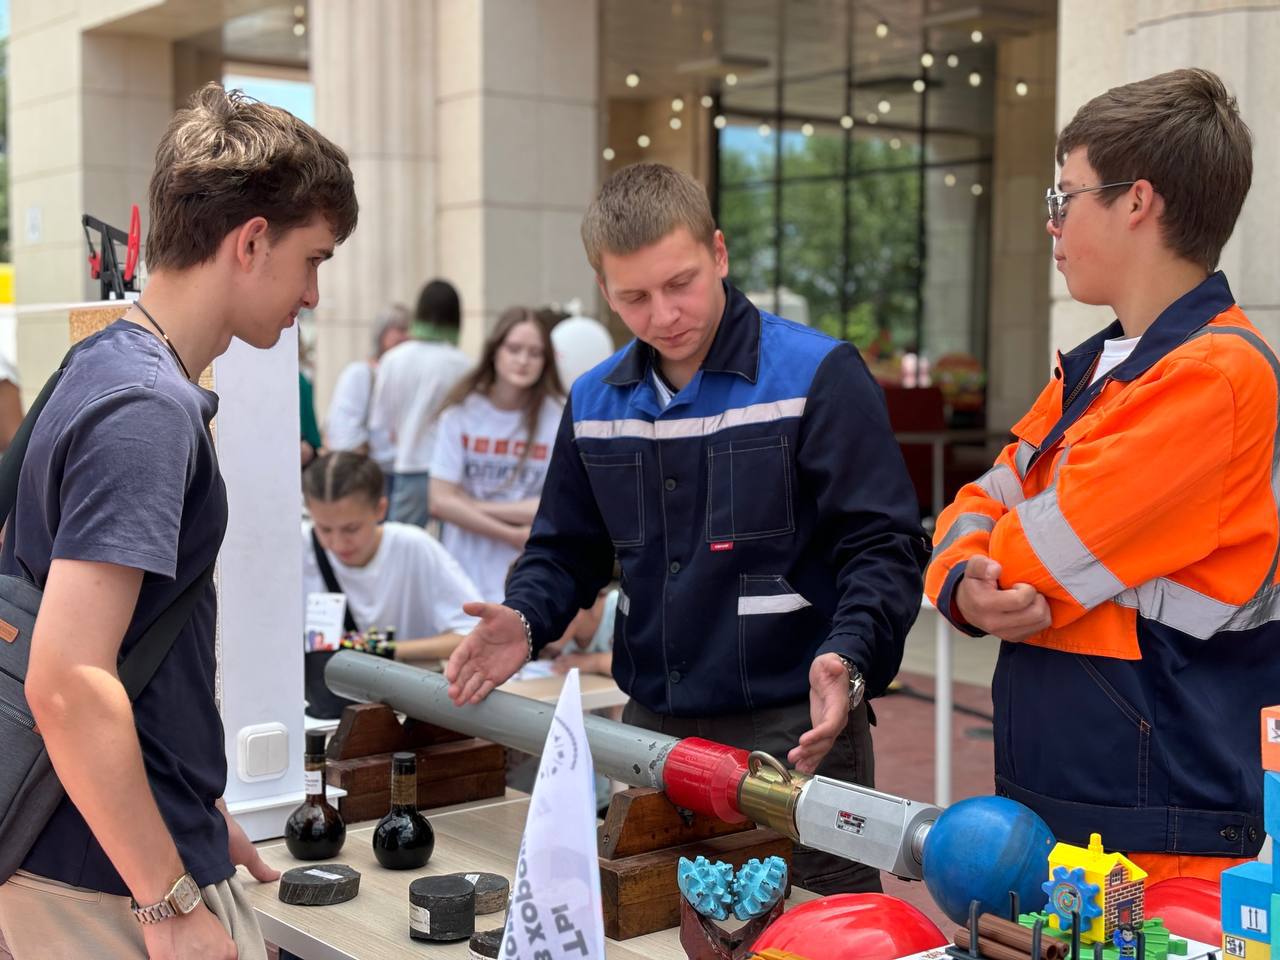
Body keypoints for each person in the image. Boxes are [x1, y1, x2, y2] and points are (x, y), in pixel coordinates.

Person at [445, 162, 927, 894]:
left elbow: (882, 545)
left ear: (719, 254)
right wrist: (526, 616)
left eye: (681, 283)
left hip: (796, 729)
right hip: (652, 735)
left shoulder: (817, 374)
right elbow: (565, 549)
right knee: (654, 929)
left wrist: (852, 655)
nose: (665, 314)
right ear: (604, 289)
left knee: (816, 931)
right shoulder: (594, 401)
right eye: (634, 297)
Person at [0, 83, 357, 960]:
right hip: (99, 882)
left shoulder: (101, 364)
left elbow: (121, 642)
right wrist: (168, 901)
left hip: (96, 850)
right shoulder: (146, 410)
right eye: (313, 259)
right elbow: (68, 680)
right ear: (251, 241)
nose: (313, 293)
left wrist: (191, 805)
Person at [925, 68, 1277, 885]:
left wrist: (977, 563)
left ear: (1136, 201)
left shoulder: (1214, 376)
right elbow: (978, 502)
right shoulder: (1099, 367)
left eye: (1065, 196)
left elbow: (1031, 552)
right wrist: (959, 579)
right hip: (1086, 793)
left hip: (1162, 820)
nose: (1052, 223)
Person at [428, 307, 566, 604]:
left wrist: (470, 505)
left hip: (529, 573)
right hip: (462, 570)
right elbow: (440, 501)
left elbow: (552, 506)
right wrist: (510, 534)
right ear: (495, 351)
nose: (523, 360)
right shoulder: (460, 413)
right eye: (514, 349)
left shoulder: (558, 416)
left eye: (535, 353)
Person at [302, 451, 479, 662]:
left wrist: (379, 650)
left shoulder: (414, 546)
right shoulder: (300, 547)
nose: (338, 543)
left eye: (351, 529)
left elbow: (474, 633)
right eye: (324, 529)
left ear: (380, 509)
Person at [368, 280, 471, 526]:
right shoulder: (463, 364)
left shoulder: (393, 360)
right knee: (450, 543)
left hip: (409, 465)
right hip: (453, 471)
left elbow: (380, 422)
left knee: (402, 541)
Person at [324, 305, 411, 494]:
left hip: (403, 475)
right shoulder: (360, 374)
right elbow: (343, 436)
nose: (408, 337)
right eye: (401, 329)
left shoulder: (409, 376)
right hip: (371, 477)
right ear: (382, 333)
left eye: (410, 331)